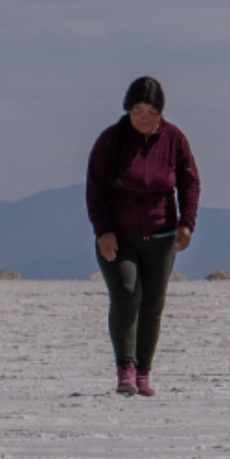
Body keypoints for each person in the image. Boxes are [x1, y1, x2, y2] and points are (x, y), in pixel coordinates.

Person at [88, 76, 199, 397]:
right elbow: (95, 189)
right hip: (119, 236)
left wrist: (186, 222)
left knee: (152, 304)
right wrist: (103, 230)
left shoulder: (175, 139)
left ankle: (144, 373)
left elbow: (189, 183)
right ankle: (126, 367)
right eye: (138, 111)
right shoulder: (110, 140)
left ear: (161, 113)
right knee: (126, 293)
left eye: (152, 112)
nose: (145, 118)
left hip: (161, 235)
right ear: (127, 110)